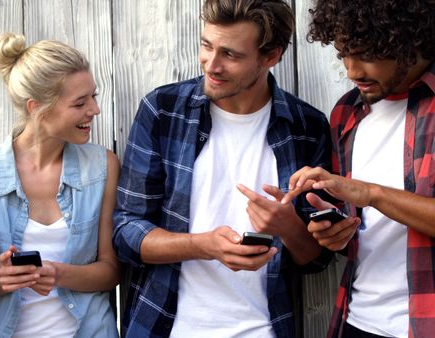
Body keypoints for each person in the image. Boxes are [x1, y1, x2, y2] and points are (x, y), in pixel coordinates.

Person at [113, 0, 333, 337]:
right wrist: (204, 245)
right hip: (167, 327)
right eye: (206, 46)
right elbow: (125, 233)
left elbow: (315, 259)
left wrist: (289, 227)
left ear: (271, 56)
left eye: (231, 54)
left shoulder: (307, 127)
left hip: (264, 328)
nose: (211, 65)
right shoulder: (163, 110)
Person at [280, 1, 435, 337]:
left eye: (365, 54)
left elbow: (367, 196)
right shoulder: (347, 113)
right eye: (343, 55)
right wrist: (334, 230)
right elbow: (362, 227)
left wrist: (370, 193)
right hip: (357, 320)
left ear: (408, 40)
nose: (351, 71)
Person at [0, 33, 119, 338]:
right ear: (36, 107)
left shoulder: (102, 167)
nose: (94, 110)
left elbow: (111, 272)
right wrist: (4, 276)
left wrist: (59, 274)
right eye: (80, 103)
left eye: (93, 96)